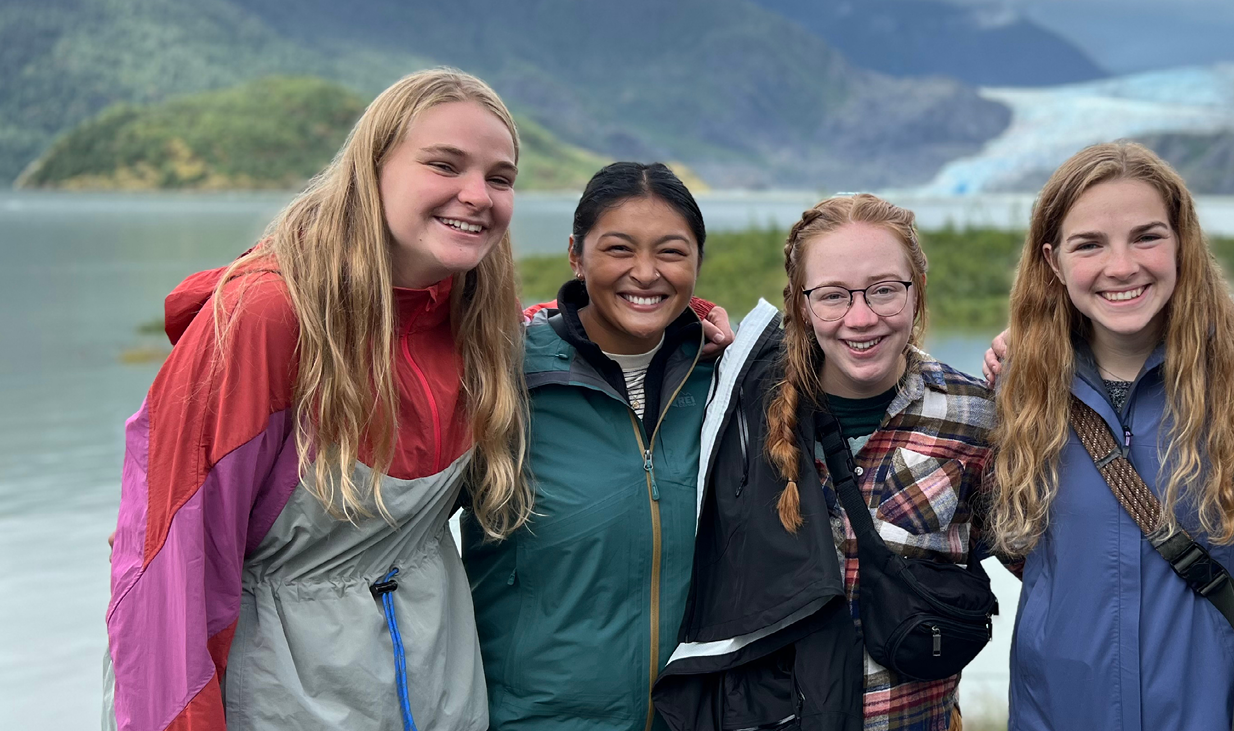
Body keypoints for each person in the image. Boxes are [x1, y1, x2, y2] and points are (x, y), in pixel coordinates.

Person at [105, 68, 532, 730]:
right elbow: (168, 574)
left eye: (499, 177)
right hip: (281, 701)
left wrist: (678, 324)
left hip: (441, 693)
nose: (476, 195)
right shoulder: (266, 317)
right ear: (373, 168)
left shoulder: (482, 326)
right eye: (444, 165)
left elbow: (580, 335)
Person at [981, 142, 1234, 731]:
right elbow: (1027, 559)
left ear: (1182, 242)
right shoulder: (1020, 386)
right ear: (1053, 262)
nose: (1122, 265)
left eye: (1147, 236)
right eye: (1090, 244)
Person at [656, 193, 997, 731]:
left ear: (917, 292)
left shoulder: (973, 415)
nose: (861, 319)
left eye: (884, 290)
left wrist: (1054, 367)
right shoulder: (734, 407)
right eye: (834, 296)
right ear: (801, 303)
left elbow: (1040, 559)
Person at [461, 161, 741, 730]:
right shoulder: (501, 378)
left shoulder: (725, 384)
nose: (645, 273)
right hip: (532, 719)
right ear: (575, 255)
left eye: (671, 252)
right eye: (618, 249)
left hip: (693, 717)